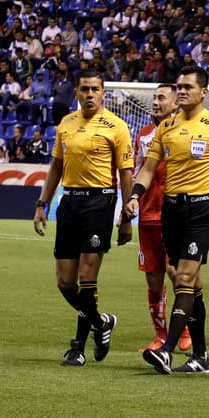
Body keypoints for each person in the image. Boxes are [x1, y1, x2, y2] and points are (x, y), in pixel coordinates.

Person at [124, 66, 209, 375]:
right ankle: (201, 357)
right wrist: (136, 194)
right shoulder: (166, 127)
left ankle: (166, 350)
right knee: (192, 285)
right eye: (179, 86)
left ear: (203, 92)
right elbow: (149, 167)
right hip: (171, 211)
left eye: (188, 87)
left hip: (202, 210)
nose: (182, 91)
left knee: (183, 279)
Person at [32, 70, 134, 366]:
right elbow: (56, 166)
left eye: (95, 89)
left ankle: (77, 347)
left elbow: (125, 173)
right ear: (76, 93)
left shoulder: (117, 127)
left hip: (100, 202)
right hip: (69, 202)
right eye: (84, 89)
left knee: (87, 278)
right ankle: (101, 323)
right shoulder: (66, 124)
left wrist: (127, 215)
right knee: (65, 283)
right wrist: (42, 203)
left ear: (103, 94)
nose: (89, 94)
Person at [133, 83, 183, 352]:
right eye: (154, 97)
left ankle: (184, 330)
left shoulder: (185, 132)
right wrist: (128, 204)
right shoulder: (143, 135)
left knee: (178, 274)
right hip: (147, 216)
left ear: (176, 104)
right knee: (153, 278)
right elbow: (137, 171)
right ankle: (161, 335)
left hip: (175, 214)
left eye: (162, 97)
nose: (155, 101)